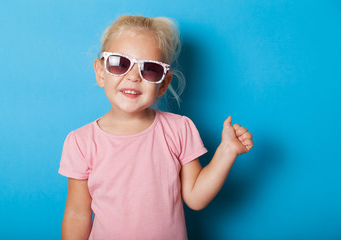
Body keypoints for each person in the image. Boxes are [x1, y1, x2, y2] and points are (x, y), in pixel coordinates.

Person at [59, 15, 253, 240]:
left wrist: (226, 152)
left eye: (149, 69)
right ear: (101, 72)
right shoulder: (81, 141)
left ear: (163, 84)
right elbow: (77, 214)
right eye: (119, 64)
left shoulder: (179, 129)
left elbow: (196, 197)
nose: (132, 77)